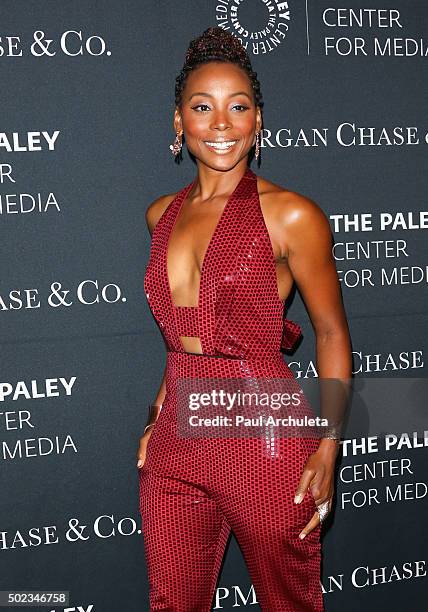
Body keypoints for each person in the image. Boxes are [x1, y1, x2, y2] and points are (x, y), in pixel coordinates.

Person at [137, 26, 352, 612]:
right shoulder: (162, 214)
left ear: (259, 121)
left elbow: (332, 332)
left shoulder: (291, 215)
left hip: (265, 437)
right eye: (202, 107)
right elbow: (181, 338)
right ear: (178, 121)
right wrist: (158, 415)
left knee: (289, 600)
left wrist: (328, 447)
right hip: (177, 440)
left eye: (239, 107)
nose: (222, 123)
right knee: (173, 601)